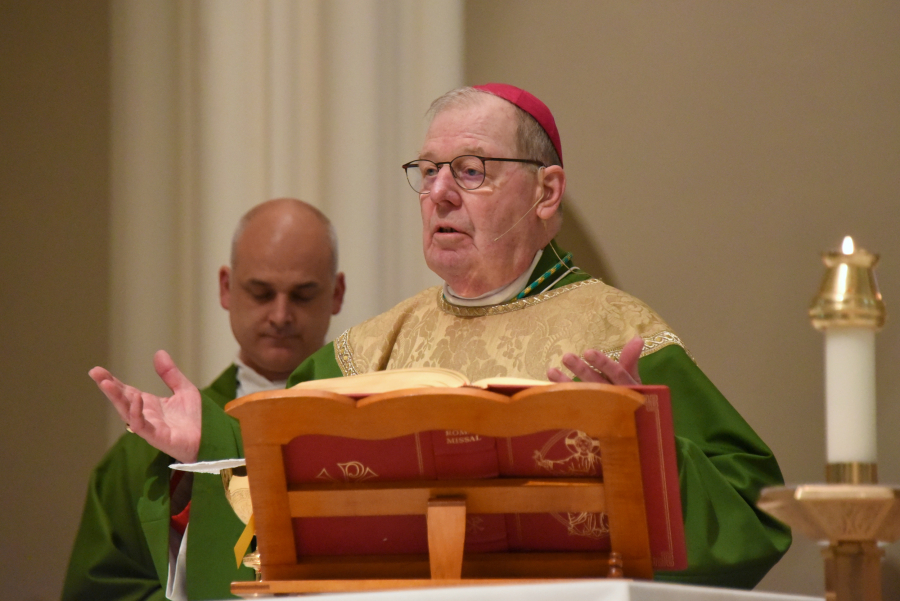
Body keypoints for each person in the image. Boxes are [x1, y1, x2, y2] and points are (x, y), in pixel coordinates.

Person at [92, 85, 791, 599]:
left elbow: (749, 503)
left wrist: (642, 438)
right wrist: (208, 441)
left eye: (472, 169)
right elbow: (284, 478)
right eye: (427, 171)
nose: (440, 194)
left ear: (547, 192)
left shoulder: (614, 331)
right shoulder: (375, 345)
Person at [63, 198, 346, 601]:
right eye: (261, 293)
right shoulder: (141, 456)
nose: (281, 315)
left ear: (336, 293)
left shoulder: (374, 428)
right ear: (226, 288)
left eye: (302, 295)